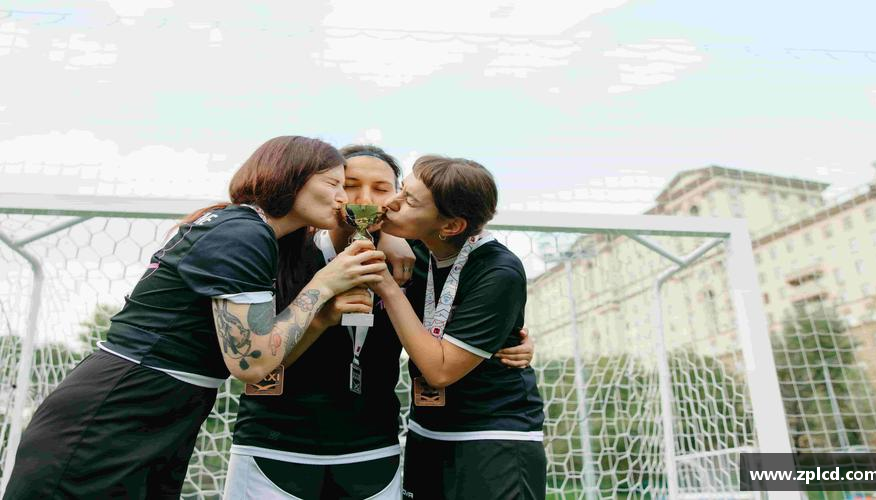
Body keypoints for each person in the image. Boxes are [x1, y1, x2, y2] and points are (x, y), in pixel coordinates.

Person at [2, 136, 387, 500]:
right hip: (118, 409)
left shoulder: (253, 232)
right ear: (290, 177)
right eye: (334, 184)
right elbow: (251, 364)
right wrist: (323, 285)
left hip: (163, 411)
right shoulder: (242, 234)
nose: (343, 198)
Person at [224, 145, 534, 500]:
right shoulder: (282, 251)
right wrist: (321, 316)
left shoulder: (415, 261)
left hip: (374, 450)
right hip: (273, 445)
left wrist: (511, 339)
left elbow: (468, 310)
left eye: (383, 189)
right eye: (350, 184)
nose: (366, 200)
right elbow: (252, 361)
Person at [372, 155, 546, 500]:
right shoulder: (416, 249)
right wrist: (387, 237)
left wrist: (388, 288)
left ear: (451, 226)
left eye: (409, 201)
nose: (392, 202)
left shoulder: (498, 271)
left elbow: (440, 370)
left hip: (492, 435)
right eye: (401, 189)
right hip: (426, 429)